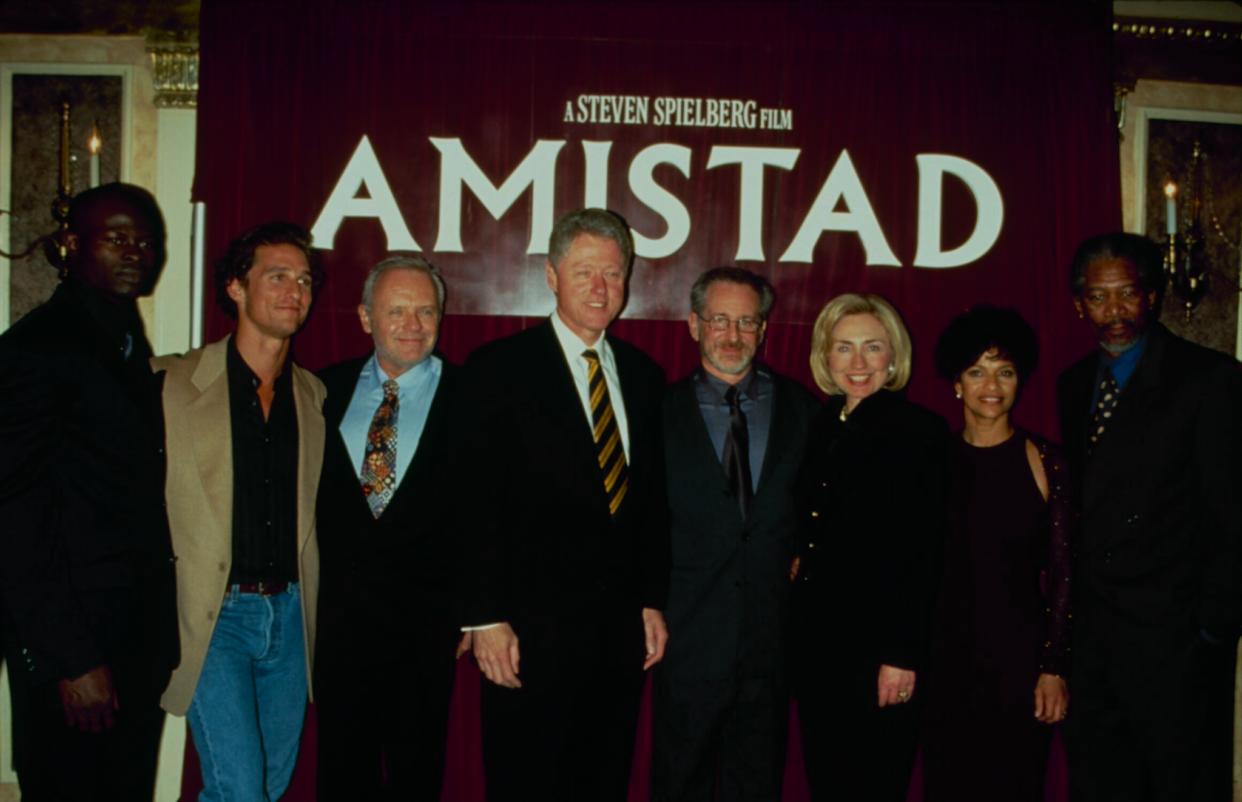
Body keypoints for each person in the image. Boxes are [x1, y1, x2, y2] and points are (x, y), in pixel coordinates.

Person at [464, 208, 670, 802]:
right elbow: (474, 503)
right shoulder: (498, 370)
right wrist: (484, 618)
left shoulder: (644, 376)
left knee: (601, 780)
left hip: (616, 638)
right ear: (552, 276)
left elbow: (651, 506)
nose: (600, 288)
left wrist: (653, 599)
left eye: (613, 272)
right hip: (526, 636)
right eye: (584, 271)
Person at [0, 183, 179, 800]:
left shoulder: (119, 340)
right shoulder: (38, 347)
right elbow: (14, 517)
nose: (137, 252)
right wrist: (70, 657)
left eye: (148, 241)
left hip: (130, 644)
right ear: (71, 245)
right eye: (118, 237)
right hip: (75, 653)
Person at [1057, 232, 1241, 802]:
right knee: (1104, 781)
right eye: (1098, 297)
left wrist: (1210, 629)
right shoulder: (1072, 384)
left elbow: (1234, 512)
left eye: (1127, 294)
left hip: (1174, 644)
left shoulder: (1211, 380)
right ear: (1078, 304)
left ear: (1153, 296)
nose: (1113, 312)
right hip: (1095, 645)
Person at [153, 222, 326, 801]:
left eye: (303, 280)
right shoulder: (170, 384)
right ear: (235, 287)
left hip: (291, 616)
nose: (294, 291)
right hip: (215, 618)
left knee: (267, 788)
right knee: (241, 791)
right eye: (276, 276)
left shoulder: (314, 397)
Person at [652, 266, 817, 802]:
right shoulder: (656, 411)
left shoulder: (803, 410)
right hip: (685, 641)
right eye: (719, 319)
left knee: (758, 785)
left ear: (764, 329)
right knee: (680, 784)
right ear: (694, 324)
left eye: (747, 321)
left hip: (772, 644)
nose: (732, 334)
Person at [315, 255, 472, 800]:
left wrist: (471, 611)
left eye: (426, 311)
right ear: (365, 317)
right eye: (397, 310)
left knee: (415, 775)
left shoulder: (476, 398)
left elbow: (489, 515)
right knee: (341, 773)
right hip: (335, 628)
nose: (413, 324)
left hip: (428, 633)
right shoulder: (319, 393)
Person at [792, 292, 947, 802]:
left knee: (874, 781)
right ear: (825, 356)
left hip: (879, 647)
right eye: (844, 348)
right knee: (828, 778)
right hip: (819, 644)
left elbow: (922, 553)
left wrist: (901, 655)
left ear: (894, 356)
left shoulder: (918, 432)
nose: (857, 363)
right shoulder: (821, 423)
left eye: (872, 348)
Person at [920, 305, 1071, 802]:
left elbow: (1068, 573)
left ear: (1019, 380)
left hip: (1021, 661)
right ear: (957, 382)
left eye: (1004, 371)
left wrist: (1054, 667)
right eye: (977, 371)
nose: (992, 384)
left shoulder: (1045, 459)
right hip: (942, 660)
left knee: (1016, 785)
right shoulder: (932, 458)